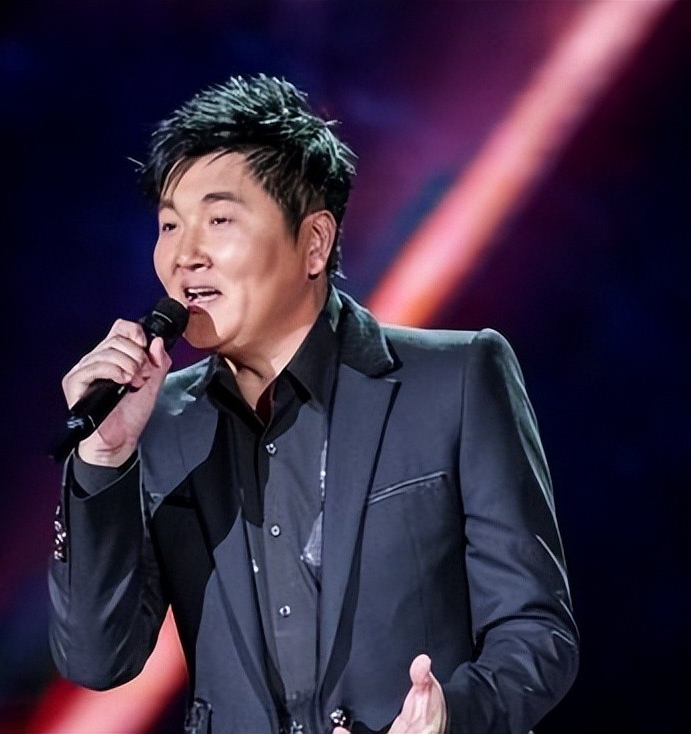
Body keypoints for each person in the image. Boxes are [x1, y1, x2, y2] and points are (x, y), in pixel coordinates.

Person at [47, 73, 578, 734]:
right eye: (169, 224)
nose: (185, 255)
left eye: (219, 220)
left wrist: (452, 717)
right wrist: (103, 458)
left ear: (315, 243)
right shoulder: (156, 425)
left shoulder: (457, 380)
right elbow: (97, 659)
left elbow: (536, 630)